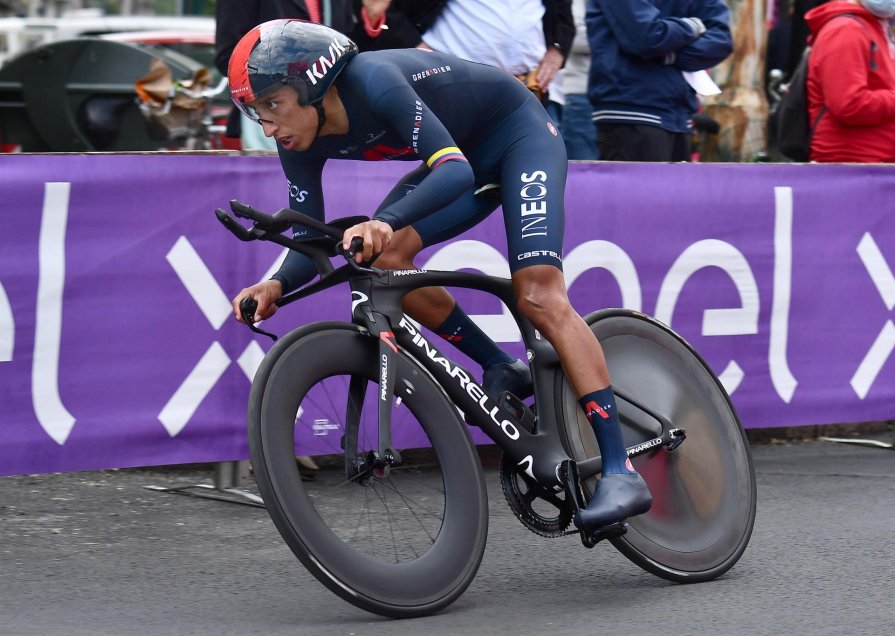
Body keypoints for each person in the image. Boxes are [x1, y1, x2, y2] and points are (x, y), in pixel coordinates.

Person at [226, 19, 652, 532]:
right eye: (256, 112)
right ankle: (500, 365)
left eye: (272, 105)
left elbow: (453, 172)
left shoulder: (374, 79)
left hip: (517, 138)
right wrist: (275, 284)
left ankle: (619, 469)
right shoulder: (298, 139)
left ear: (314, 82)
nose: (267, 126)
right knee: (381, 260)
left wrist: (384, 221)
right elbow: (309, 240)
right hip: (464, 156)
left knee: (538, 295)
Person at [586, 0, 733, 161]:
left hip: (680, 117)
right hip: (632, 109)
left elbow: (722, 40)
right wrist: (693, 26)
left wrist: (671, 54)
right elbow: (647, 36)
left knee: (673, 186)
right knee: (639, 186)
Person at [419, 0, 574, 106]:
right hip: (450, 86)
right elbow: (398, 11)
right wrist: (414, 47)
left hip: (526, 88)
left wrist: (558, 48)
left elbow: (562, 11)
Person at [804, 0, 895, 162]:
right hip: (854, 168)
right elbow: (849, 105)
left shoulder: (874, 27)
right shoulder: (846, 29)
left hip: (874, 165)